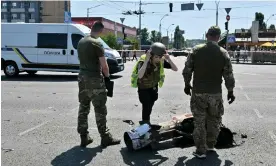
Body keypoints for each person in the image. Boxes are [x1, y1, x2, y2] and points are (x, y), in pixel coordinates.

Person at [182, 26, 236, 159]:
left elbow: (187, 70)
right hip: (215, 94)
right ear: (219, 37)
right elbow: (228, 74)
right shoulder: (223, 53)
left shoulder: (195, 50)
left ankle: (201, 150)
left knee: (199, 122)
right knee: (214, 119)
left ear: (206, 35)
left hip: (198, 93)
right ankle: (211, 145)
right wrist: (230, 91)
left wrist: (187, 84)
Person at [77, 21, 120, 148]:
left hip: (82, 79)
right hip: (95, 79)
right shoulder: (97, 43)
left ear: (91, 28)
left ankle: (84, 137)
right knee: (100, 108)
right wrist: (107, 78)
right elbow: (104, 66)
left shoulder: (81, 42)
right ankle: (105, 137)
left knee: (83, 107)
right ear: (101, 31)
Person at [131, 42, 178, 125]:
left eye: (160, 57)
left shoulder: (161, 61)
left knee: (150, 104)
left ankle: (146, 121)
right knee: (146, 106)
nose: (158, 59)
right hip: (143, 88)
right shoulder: (143, 61)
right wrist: (146, 61)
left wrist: (169, 59)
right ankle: (145, 123)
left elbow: (175, 69)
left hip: (153, 87)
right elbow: (140, 76)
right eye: (156, 57)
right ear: (151, 55)